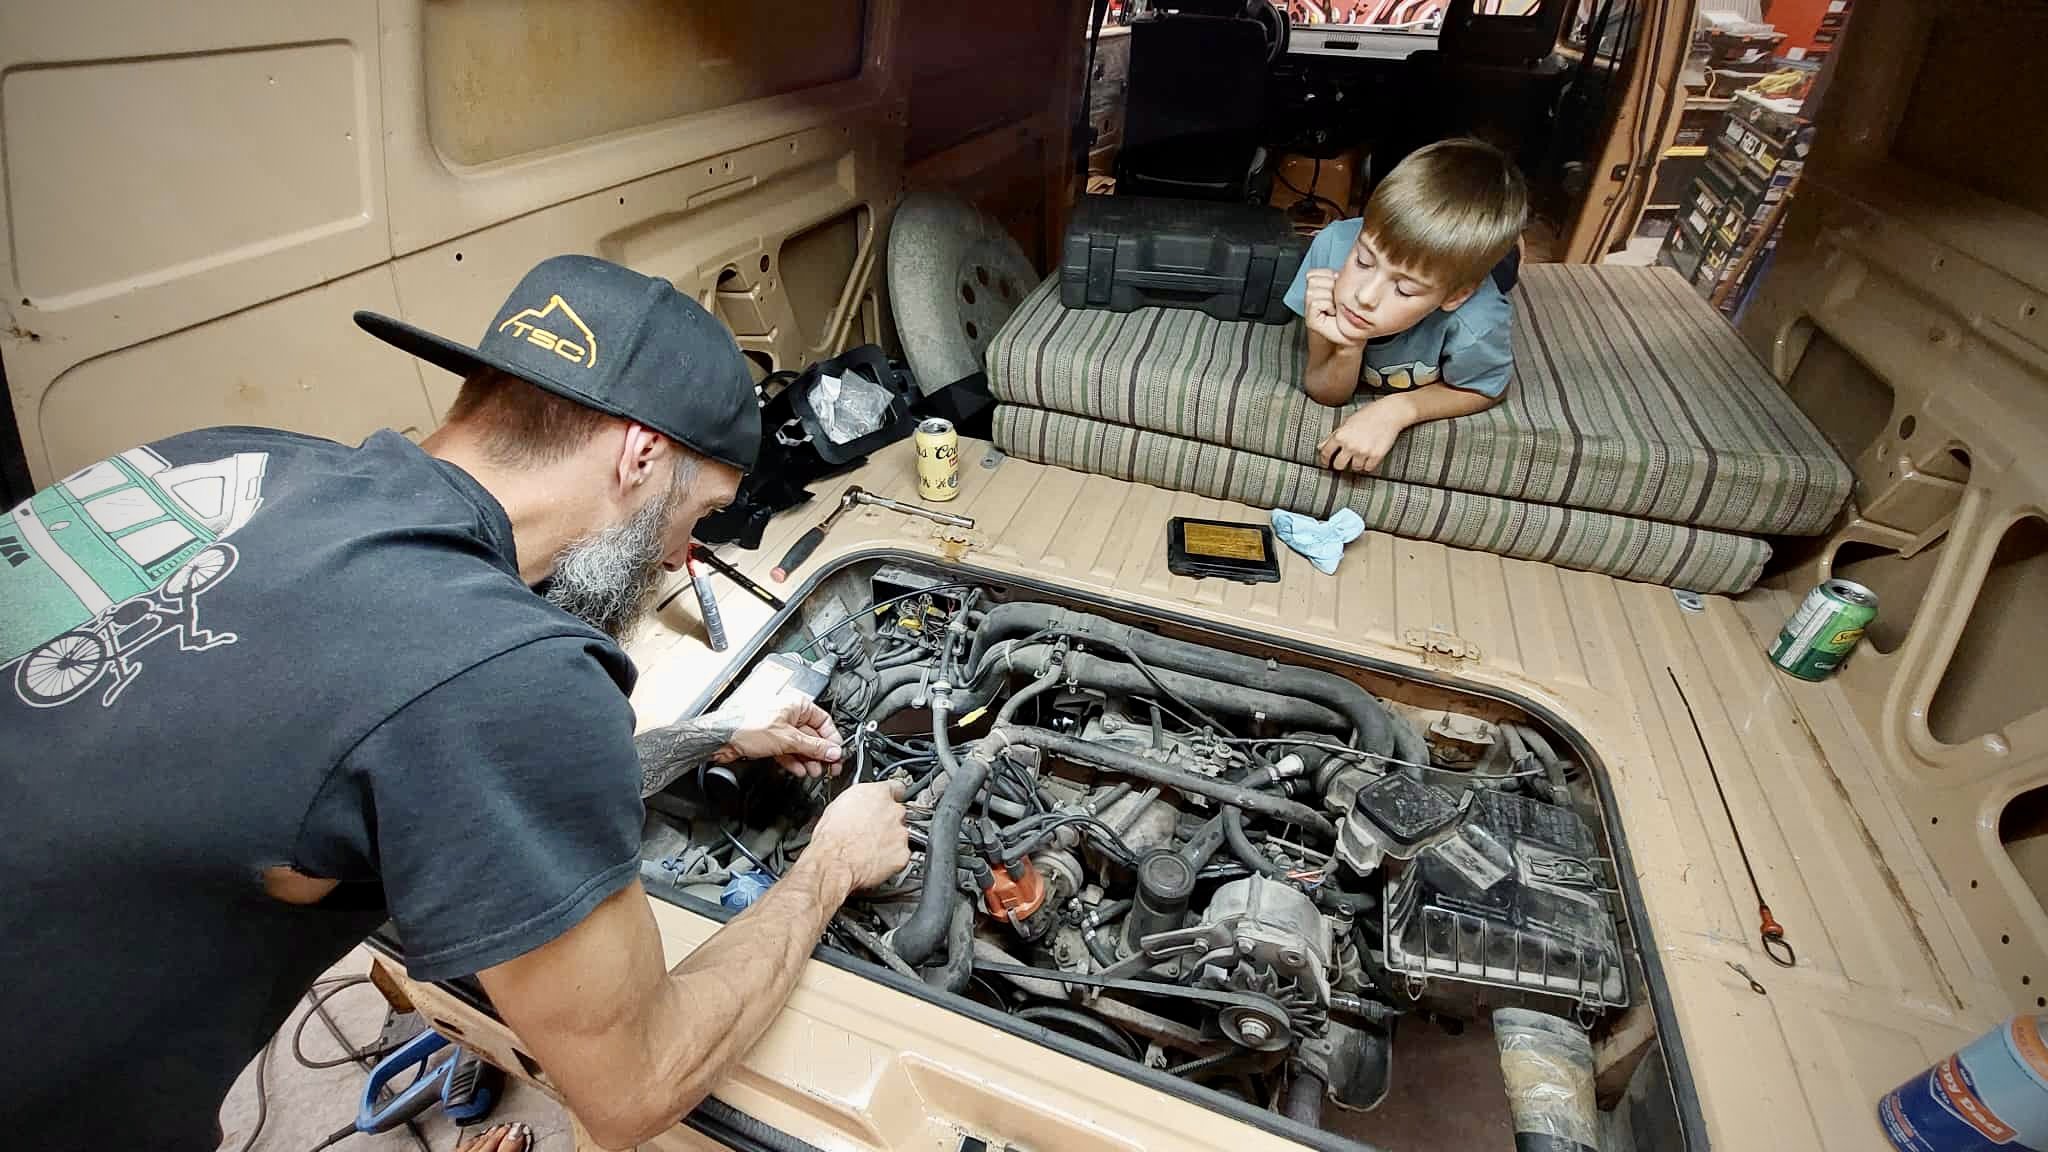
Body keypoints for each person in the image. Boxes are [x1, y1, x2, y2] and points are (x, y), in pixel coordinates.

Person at [0, 255, 912, 1151]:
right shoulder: (503, 667)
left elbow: (416, 741)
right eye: (701, 515)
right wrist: (830, 866)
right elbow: (634, 1085)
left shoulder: (221, 460)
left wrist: (712, 739)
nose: (682, 556)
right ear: (641, 454)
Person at [1284, 137, 1530, 474]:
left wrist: (1398, 410)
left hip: (1486, 274)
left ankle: (1513, 246)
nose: (1364, 296)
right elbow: (1325, 391)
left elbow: (1486, 387)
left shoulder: (1479, 319)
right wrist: (1348, 346)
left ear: (1455, 297)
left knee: (1505, 267)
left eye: (1404, 289)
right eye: (1364, 261)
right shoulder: (1333, 246)